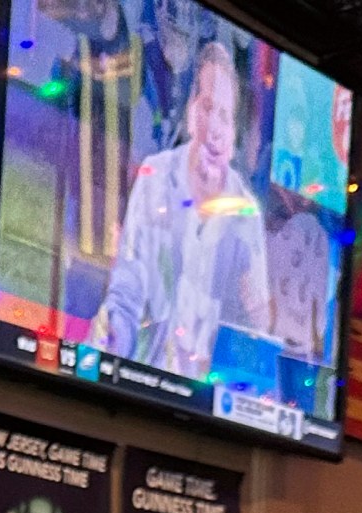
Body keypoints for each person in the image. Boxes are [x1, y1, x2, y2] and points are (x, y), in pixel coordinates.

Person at [95, 42, 274, 377]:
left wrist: (256, 312)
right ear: (192, 111)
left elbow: (257, 327)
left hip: (211, 403)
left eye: (225, 116)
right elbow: (127, 288)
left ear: (235, 134)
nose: (214, 128)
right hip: (145, 380)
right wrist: (112, 354)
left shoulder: (246, 212)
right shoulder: (156, 177)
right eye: (207, 107)